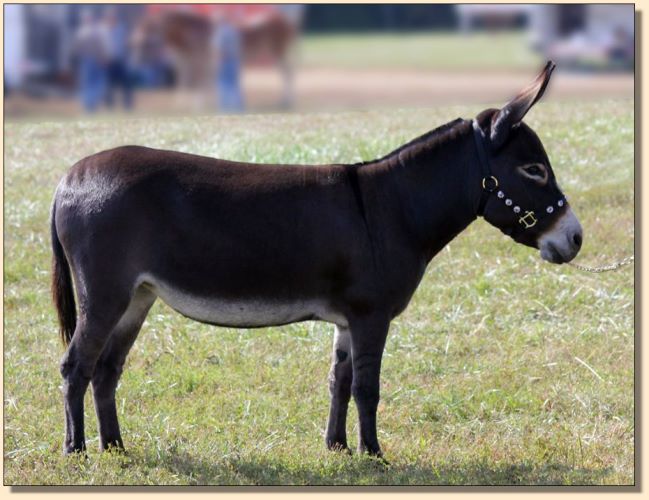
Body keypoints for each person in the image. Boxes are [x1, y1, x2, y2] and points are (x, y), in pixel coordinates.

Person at [72, 9, 109, 113]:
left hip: (97, 60)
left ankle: (92, 104)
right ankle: (89, 105)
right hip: (88, 60)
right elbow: (77, 48)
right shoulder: (83, 31)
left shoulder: (98, 30)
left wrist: (105, 57)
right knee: (89, 83)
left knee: (97, 83)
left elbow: (105, 46)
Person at [211, 9, 244, 113]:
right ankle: (239, 109)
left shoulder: (220, 32)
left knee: (223, 85)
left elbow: (219, 49)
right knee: (234, 85)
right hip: (234, 61)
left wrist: (216, 63)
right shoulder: (232, 31)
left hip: (225, 61)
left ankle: (225, 109)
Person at [103, 7, 134, 110]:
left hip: (121, 61)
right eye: (110, 17)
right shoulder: (103, 30)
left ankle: (128, 105)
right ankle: (109, 106)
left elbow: (128, 43)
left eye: (113, 16)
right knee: (108, 85)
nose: (112, 18)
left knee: (126, 84)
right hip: (108, 62)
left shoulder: (122, 29)